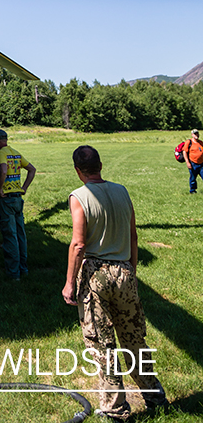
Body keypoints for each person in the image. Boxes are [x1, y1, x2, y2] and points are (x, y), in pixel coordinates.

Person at [62, 145, 168, 421]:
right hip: (124, 272)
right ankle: (154, 395)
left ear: (78, 170)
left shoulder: (79, 196)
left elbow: (78, 244)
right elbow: (133, 236)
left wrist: (69, 282)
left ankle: (114, 408)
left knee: (101, 344)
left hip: (96, 275)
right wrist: (130, 270)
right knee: (134, 340)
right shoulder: (122, 191)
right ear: (101, 165)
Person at [0, 129, 35, 280]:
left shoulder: (1, 153)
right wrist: (24, 188)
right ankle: (24, 268)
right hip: (18, 199)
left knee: (10, 235)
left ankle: (13, 273)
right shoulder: (15, 153)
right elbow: (32, 169)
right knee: (21, 235)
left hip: (7, 199)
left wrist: (0, 188)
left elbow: (3, 170)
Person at [182, 128, 203, 194]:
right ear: (192, 135)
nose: (196, 135)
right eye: (195, 133)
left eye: (197, 133)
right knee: (193, 178)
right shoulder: (189, 142)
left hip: (202, 163)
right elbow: (184, 152)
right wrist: (188, 163)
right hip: (193, 163)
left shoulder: (201, 143)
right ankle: (192, 190)